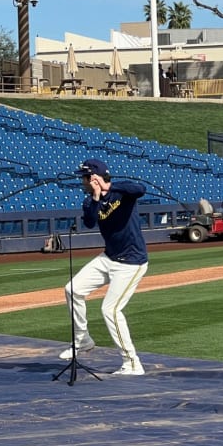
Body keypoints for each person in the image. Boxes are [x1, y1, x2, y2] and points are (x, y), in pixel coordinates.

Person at [61, 158, 149, 375]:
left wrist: (109, 186)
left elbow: (140, 189)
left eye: (84, 177)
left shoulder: (122, 192)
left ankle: (132, 363)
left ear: (94, 177)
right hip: (108, 257)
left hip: (131, 262)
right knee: (72, 290)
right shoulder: (90, 200)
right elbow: (90, 221)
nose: (82, 181)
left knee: (110, 309)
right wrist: (96, 196)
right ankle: (83, 340)